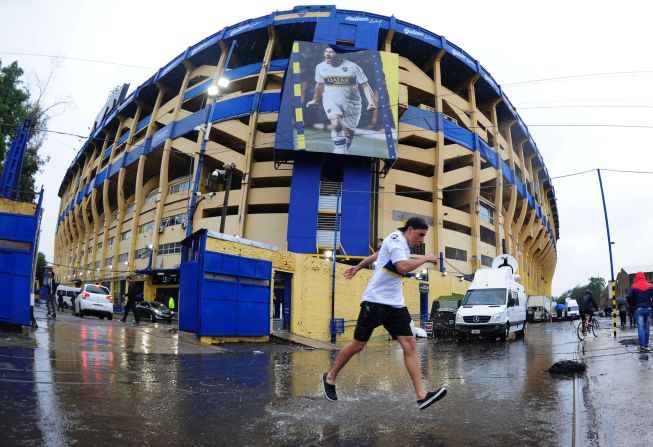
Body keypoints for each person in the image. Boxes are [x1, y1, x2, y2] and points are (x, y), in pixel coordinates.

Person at [321, 216, 447, 410]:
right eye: (420, 235)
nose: (422, 240)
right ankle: (330, 377)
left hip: (395, 304)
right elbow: (402, 267)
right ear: (410, 229)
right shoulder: (396, 240)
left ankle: (421, 395)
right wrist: (425, 259)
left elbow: (378, 255)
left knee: (410, 342)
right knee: (358, 344)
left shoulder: (402, 246)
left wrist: (358, 266)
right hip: (375, 301)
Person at [306, 46, 377, 154]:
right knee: (336, 122)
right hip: (331, 100)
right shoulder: (320, 67)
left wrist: (371, 103)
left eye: (331, 52)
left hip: (352, 104)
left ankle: (342, 148)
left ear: (339, 54)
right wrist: (315, 100)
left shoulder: (353, 67)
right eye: (326, 51)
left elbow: (365, 86)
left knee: (348, 134)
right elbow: (319, 85)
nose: (327, 54)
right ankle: (340, 150)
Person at [626, 272, 653, 352]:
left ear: (637, 278)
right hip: (648, 309)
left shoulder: (634, 286)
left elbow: (628, 297)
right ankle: (646, 345)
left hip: (639, 309)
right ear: (644, 277)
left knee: (640, 327)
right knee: (647, 327)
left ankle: (642, 346)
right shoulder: (650, 286)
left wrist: (632, 305)